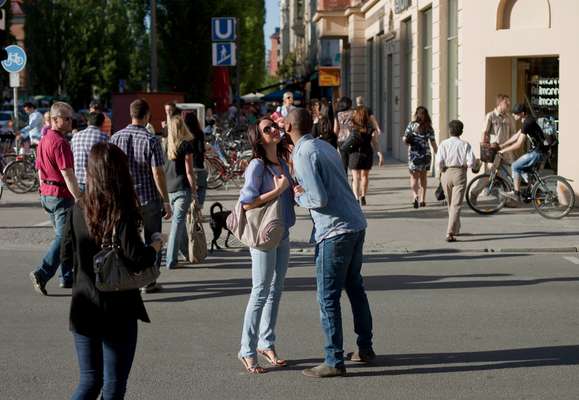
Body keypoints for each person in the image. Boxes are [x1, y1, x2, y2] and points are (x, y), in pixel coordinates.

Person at [62, 142, 163, 400]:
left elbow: (65, 255)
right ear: (119, 172)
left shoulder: (78, 207)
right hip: (118, 307)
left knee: (88, 382)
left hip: (84, 303)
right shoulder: (122, 210)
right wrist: (155, 245)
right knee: (113, 387)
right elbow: (136, 259)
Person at [286, 108, 374, 378]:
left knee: (328, 297)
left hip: (334, 231)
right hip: (355, 223)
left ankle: (333, 360)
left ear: (289, 126)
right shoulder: (324, 146)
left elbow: (319, 199)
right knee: (355, 288)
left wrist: (296, 196)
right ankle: (365, 348)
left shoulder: (303, 153)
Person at [238, 117, 295, 374]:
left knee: (276, 289)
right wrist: (278, 190)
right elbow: (247, 202)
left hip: (282, 232)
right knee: (260, 291)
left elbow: (288, 192)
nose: (273, 129)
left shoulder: (282, 162)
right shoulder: (257, 165)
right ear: (259, 138)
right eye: (266, 129)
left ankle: (266, 342)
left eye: (273, 126)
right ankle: (247, 350)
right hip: (263, 235)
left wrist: (295, 189)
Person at [110, 99, 172, 293]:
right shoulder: (151, 140)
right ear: (146, 116)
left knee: (128, 239)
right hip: (148, 198)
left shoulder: (115, 138)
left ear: (131, 114)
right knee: (153, 237)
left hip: (124, 199)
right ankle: (149, 280)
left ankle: (130, 276)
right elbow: (158, 172)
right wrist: (166, 200)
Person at [29, 102, 81, 295]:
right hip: (60, 196)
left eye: (70, 118)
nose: (69, 121)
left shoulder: (44, 139)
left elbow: (40, 170)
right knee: (63, 238)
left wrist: (42, 193)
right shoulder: (60, 143)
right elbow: (68, 174)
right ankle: (42, 273)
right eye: (66, 118)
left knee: (67, 238)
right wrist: (79, 197)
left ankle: (66, 277)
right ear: (54, 120)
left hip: (48, 194)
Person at [164, 115, 197, 269]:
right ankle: (171, 259)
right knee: (177, 224)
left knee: (180, 222)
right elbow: (189, 171)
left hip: (168, 189)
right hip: (182, 187)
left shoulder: (164, 145)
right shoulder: (186, 145)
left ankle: (185, 252)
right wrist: (194, 191)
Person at [470, 94, 516, 204]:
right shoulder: (491, 116)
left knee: (509, 176)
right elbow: (485, 133)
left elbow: (513, 134)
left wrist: (513, 149)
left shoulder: (509, 117)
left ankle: (507, 200)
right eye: (506, 102)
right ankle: (474, 193)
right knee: (489, 176)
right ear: (500, 103)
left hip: (506, 152)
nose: (509, 104)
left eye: (509, 102)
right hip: (494, 152)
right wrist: (484, 150)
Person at [435, 120, 476, 242]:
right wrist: (466, 166)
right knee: (456, 204)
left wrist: (441, 171)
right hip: (459, 173)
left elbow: (439, 162)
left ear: (449, 131)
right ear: (461, 132)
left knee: (450, 204)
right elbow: (471, 162)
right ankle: (450, 232)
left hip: (446, 173)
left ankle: (456, 228)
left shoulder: (443, 144)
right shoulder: (465, 144)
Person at [499, 103, 549, 201]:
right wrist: (502, 145)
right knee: (522, 169)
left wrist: (504, 150)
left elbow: (519, 144)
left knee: (515, 166)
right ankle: (531, 190)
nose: (513, 115)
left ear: (522, 113)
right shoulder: (527, 120)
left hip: (538, 153)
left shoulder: (528, 122)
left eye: (515, 114)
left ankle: (516, 193)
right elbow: (516, 136)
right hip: (538, 151)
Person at [403, 106, 438, 208]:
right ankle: (423, 199)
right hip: (426, 154)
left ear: (416, 114)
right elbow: (433, 144)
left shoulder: (411, 125)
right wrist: (439, 156)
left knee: (414, 177)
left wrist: (407, 140)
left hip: (414, 154)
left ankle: (415, 196)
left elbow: (405, 140)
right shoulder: (429, 127)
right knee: (423, 177)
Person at [349, 106, 384, 205]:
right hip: (367, 153)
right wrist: (380, 154)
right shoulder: (371, 129)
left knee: (355, 178)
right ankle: (363, 196)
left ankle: (356, 198)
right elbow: (376, 143)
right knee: (365, 176)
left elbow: (348, 141)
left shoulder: (353, 127)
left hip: (355, 153)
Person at [71, 112, 109, 193]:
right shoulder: (104, 137)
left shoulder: (76, 137)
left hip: (78, 181)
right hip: (96, 182)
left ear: (88, 122)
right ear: (102, 123)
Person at [184, 112, 207, 209]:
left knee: (189, 188)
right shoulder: (200, 133)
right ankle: (199, 206)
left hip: (186, 165)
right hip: (199, 164)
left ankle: (190, 206)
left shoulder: (184, 134)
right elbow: (202, 149)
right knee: (201, 187)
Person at [334, 96, 354, 171]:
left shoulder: (338, 114)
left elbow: (335, 129)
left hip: (341, 140)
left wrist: (335, 139)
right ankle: (354, 179)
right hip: (352, 139)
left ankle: (344, 179)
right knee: (352, 161)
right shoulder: (353, 113)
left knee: (344, 162)